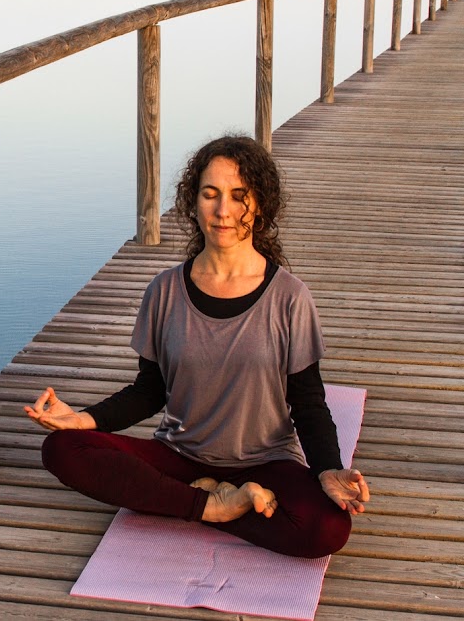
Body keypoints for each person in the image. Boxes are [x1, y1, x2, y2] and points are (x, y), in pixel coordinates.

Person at [24, 135, 369, 559]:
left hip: (265, 463)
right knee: (61, 448)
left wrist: (328, 469)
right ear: (194, 201)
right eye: (211, 194)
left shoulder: (290, 298)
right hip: (180, 454)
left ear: (259, 205)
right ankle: (211, 506)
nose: (223, 210)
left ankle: (187, 501)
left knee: (328, 528)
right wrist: (83, 419)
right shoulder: (164, 291)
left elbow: (309, 402)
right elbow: (149, 391)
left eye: (238, 196)